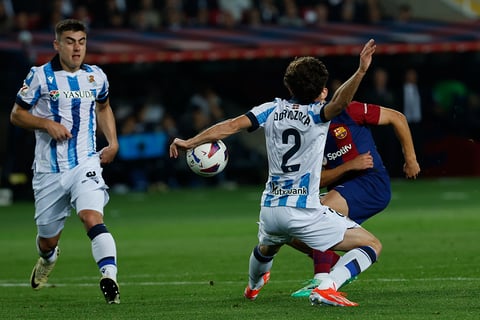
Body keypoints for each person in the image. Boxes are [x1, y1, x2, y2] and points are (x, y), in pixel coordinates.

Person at [170, 39, 379, 307]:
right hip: (303, 210)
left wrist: (190, 142)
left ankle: (252, 287)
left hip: (270, 209)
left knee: (266, 248)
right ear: (322, 91)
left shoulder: (271, 109)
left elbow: (231, 126)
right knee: (371, 245)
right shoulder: (318, 114)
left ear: (289, 86)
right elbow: (341, 103)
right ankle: (328, 286)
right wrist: (360, 71)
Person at [9, 19, 120, 304]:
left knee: (91, 217)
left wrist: (113, 141)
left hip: (85, 162)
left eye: (81, 42)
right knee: (48, 239)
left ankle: (109, 277)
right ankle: (48, 257)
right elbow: (16, 115)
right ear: (57, 45)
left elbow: (104, 107)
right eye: (70, 42)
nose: (76, 48)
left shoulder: (96, 77)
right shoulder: (40, 76)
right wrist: (46, 123)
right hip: (48, 170)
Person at [289, 90, 421, 297]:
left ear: (324, 95)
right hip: (343, 189)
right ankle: (343, 267)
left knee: (320, 213)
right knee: (288, 227)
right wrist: (348, 166)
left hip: (371, 183)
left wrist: (411, 159)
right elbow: (314, 181)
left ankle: (322, 281)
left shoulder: (349, 110)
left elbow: (397, 118)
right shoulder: (306, 131)